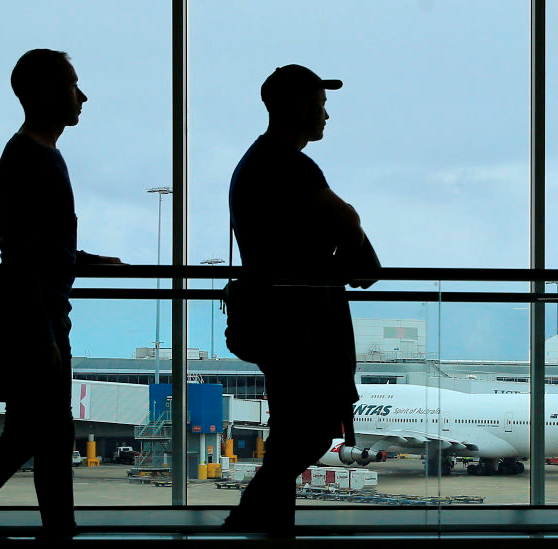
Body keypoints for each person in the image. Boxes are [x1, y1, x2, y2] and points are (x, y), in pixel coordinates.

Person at [0, 49, 121, 538]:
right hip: (37, 322)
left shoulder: (37, 154)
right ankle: (49, 529)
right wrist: (45, 337)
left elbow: (39, 247)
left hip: (37, 319)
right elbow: (22, 255)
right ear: (45, 92)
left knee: (33, 436)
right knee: (45, 437)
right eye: (73, 85)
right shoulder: (29, 157)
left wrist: (84, 260)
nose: (83, 96)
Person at [224, 64, 379, 536]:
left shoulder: (258, 162)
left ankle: (264, 525)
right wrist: (356, 254)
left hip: (277, 318)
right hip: (298, 322)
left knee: (295, 430)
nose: (326, 114)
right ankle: (249, 522)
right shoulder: (288, 164)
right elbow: (345, 222)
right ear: (295, 106)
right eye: (319, 103)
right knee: (307, 431)